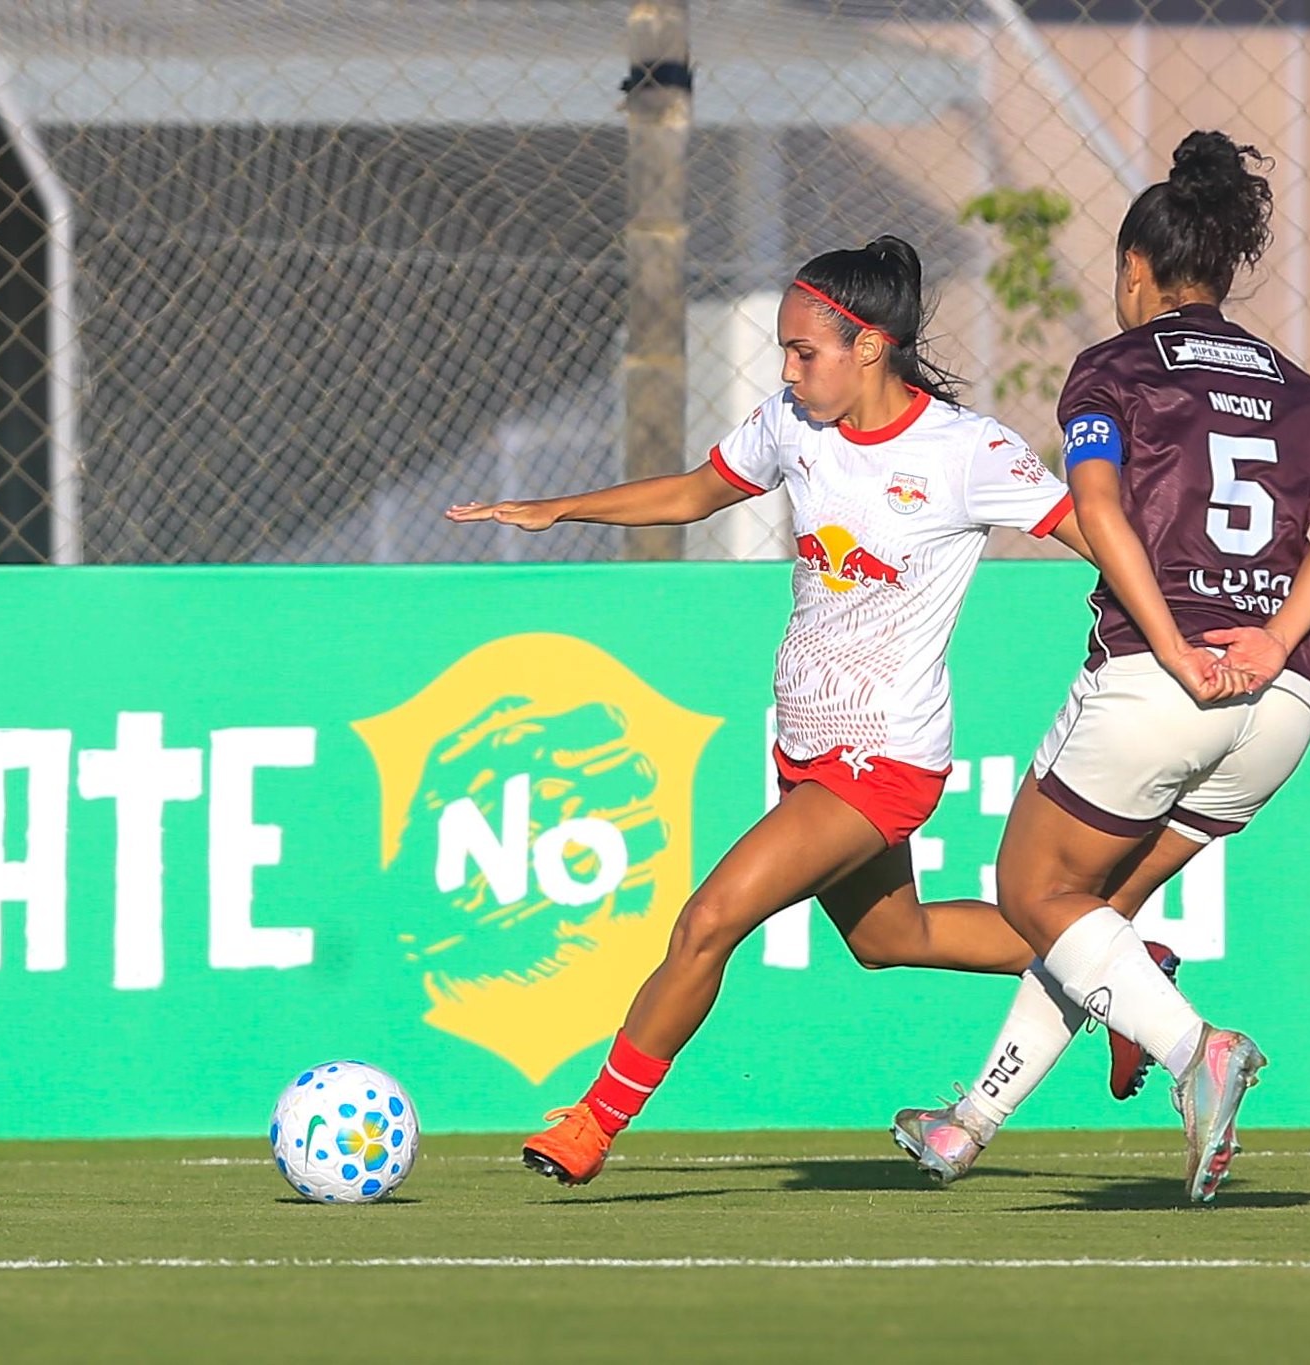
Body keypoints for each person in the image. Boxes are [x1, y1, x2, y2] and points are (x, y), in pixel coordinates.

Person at [447, 235, 1094, 1186]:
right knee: (890, 940)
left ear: (870, 346)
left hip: (883, 760)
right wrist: (557, 509)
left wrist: (1183, 629)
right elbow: (695, 492)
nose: (788, 370)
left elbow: (1093, 532)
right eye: (787, 352)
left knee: (709, 918)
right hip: (803, 742)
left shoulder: (967, 451)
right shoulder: (794, 423)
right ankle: (1120, 970)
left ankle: (594, 1121)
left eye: (805, 351)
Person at [890, 131, 1310, 1204]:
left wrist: (1168, 644)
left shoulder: (1113, 366)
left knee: (1032, 890)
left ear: (1133, 270)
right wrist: (1270, 635)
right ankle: (966, 1125)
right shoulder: (1299, 390)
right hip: (1284, 695)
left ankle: (1194, 1048)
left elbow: (1097, 506)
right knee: (1088, 924)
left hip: (1166, 681)